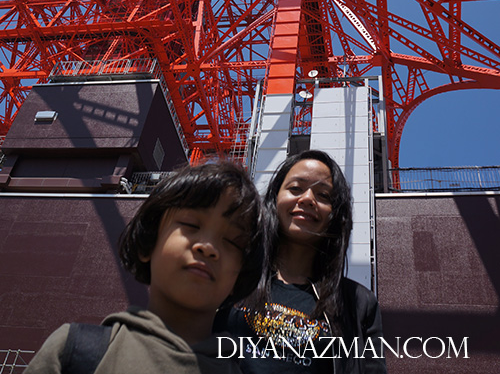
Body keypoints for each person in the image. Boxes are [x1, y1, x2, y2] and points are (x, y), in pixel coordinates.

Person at [25, 160, 265, 374]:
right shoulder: (73, 351)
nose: (208, 246)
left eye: (233, 241)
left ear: (241, 275)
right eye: (191, 224)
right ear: (148, 244)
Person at [216, 150, 386, 374]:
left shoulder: (358, 303)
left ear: (335, 215)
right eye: (295, 188)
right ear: (275, 198)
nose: (307, 199)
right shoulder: (230, 275)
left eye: (324, 195)